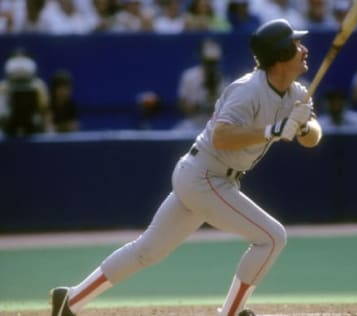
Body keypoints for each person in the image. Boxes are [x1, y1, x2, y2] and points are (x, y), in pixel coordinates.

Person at [49, 18, 322, 316]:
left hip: (208, 177)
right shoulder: (247, 90)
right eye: (296, 45)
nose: (303, 49)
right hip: (205, 175)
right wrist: (273, 130)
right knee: (272, 238)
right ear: (280, 55)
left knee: (148, 250)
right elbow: (221, 136)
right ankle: (230, 313)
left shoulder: (297, 93)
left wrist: (304, 128)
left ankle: (70, 300)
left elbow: (312, 137)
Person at [173, 38, 228, 133]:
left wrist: (212, 95)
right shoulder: (189, 76)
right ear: (202, 59)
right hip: (192, 124)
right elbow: (182, 105)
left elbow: (224, 112)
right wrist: (196, 108)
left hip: (213, 126)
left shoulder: (222, 79)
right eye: (208, 62)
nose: (210, 66)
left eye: (213, 62)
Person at [0, 49, 51, 136]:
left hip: (34, 129)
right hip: (7, 130)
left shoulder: (39, 86)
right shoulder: (3, 87)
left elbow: (45, 111)